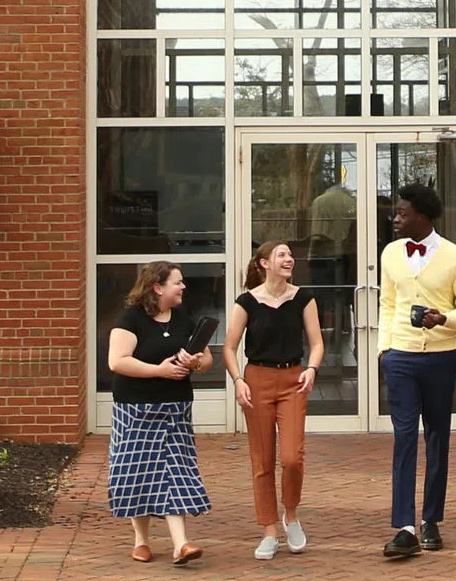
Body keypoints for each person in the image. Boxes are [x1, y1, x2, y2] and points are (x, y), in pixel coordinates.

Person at [377, 180, 456, 561]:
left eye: (402, 213)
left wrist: (444, 318)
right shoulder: (390, 254)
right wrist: (384, 348)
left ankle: (431, 519)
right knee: (404, 437)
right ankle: (404, 526)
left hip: (440, 358)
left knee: (437, 437)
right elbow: (388, 303)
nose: (396, 218)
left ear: (422, 215)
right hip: (400, 356)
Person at [106, 261, 213, 564]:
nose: (183, 287)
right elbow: (117, 361)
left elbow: (206, 360)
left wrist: (194, 362)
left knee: (175, 471)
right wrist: (159, 370)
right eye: (177, 282)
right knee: (137, 473)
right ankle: (141, 540)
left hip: (176, 409)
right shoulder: (131, 319)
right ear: (158, 287)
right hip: (136, 409)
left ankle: (181, 544)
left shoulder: (183, 318)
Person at [225, 239, 323, 560]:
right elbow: (229, 347)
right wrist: (238, 380)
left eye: (291, 255)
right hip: (257, 380)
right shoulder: (247, 302)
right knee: (262, 459)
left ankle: (291, 515)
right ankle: (269, 529)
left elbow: (317, 343)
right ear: (264, 263)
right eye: (282, 254)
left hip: (293, 379)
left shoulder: (304, 299)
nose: (289, 259)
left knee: (292, 457)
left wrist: (311, 368)